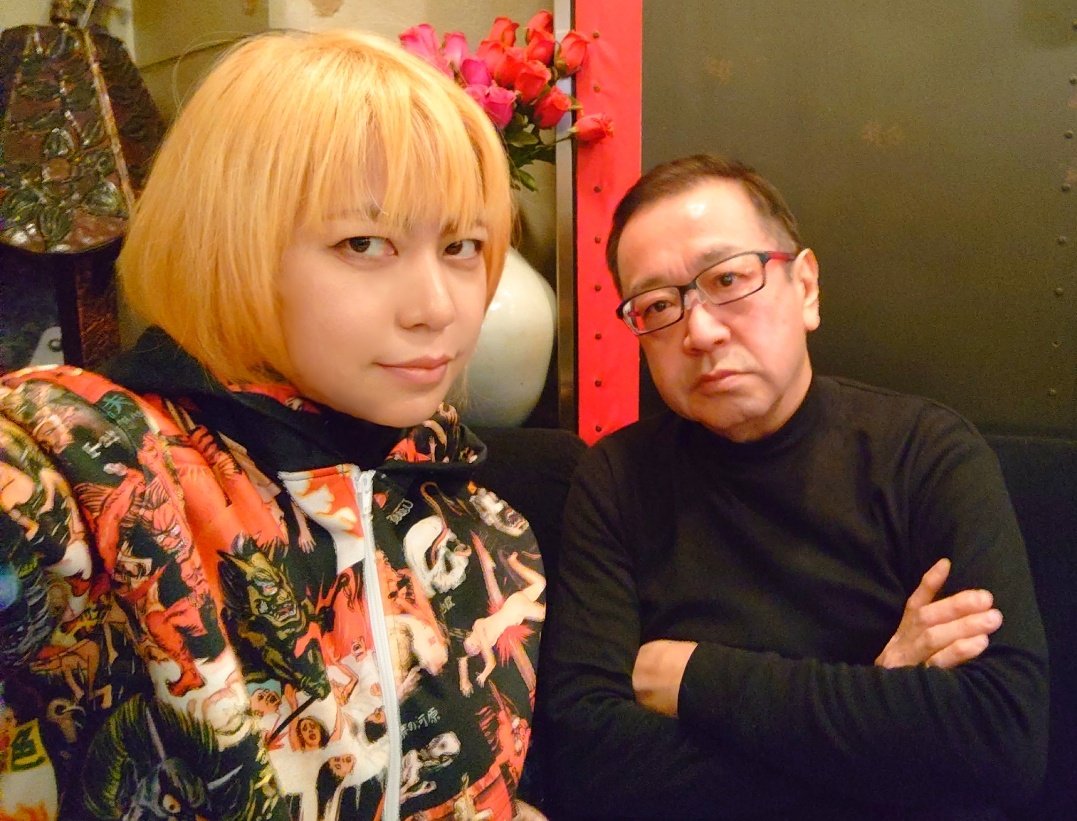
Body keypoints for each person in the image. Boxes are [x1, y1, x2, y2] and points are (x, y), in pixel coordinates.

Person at [0, 29, 547, 821]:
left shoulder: (484, 529)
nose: (437, 308)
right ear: (230, 241)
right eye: (364, 243)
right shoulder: (96, 465)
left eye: (462, 246)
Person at [539, 154, 1048, 818]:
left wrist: (689, 676)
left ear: (804, 287)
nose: (699, 331)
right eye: (658, 305)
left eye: (727, 278)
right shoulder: (614, 478)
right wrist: (877, 714)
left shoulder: (925, 453)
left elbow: (1002, 740)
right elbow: (587, 765)